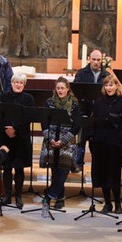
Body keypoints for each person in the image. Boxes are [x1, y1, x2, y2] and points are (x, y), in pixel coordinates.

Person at [88, 75, 122, 214]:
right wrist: (93, 138)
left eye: (111, 85)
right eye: (106, 85)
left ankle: (118, 203)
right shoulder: (99, 102)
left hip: (114, 144)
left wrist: (120, 139)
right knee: (102, 173)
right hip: (100, 142)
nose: (109, 88)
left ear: (117, 86)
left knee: (114, 174)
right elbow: (93, 121)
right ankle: (107, 203)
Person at [0, 73, 34, 209]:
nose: (18, 85)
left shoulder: (29, 99)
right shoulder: (3, 97)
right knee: (6, 167)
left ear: (24, 85)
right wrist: (7, 129)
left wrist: (15, 130)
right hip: (5, 138)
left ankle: (18, 195)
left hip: (21, 138)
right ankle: (7, 196)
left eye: (21, 83)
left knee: (19, 168)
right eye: (16, 82)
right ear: (11, 83)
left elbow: (28, 118)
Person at [43, 77, 81, 209]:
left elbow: (76, 125)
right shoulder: (49, 102)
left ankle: (50, 195)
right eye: (58, 88)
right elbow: (44, 121)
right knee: (55, 171)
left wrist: (63, 140)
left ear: (67, 89)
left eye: (62, 88)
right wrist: (50, 138)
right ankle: (60, 198)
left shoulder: (75, 104)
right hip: (52, 141)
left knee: (63, 170)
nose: (60, 90)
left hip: (67, 142)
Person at [73, 49, 110, 171]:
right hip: (84, 109)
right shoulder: (82, 73)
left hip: (99, 112)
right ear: (89, 59)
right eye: (94, 59)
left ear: (102, 60)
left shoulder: (106, 75)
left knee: (97, 140)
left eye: (98, 60)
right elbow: (76, 91)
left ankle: (97, 164)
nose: (96, 62)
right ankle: (78, 163)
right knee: (81, 139)